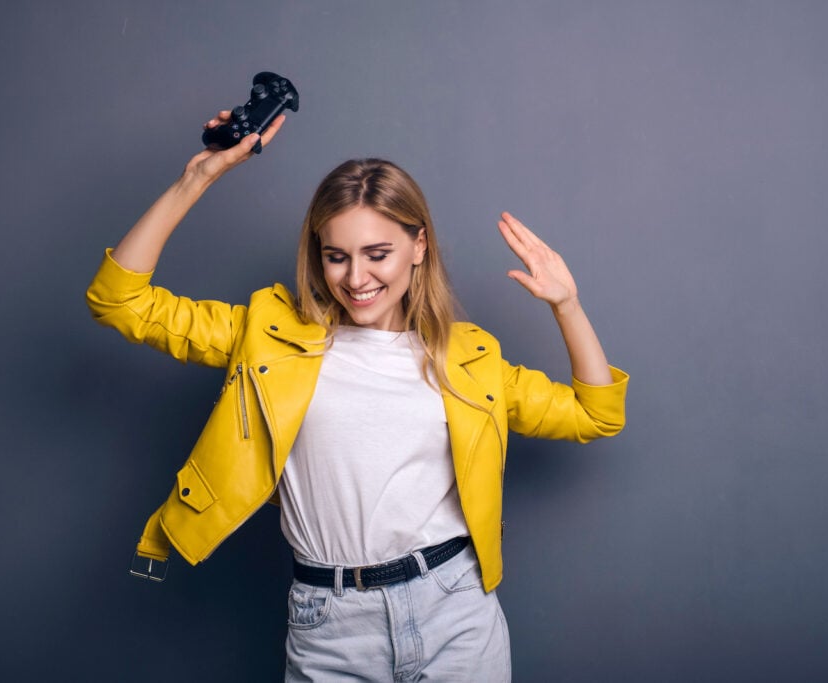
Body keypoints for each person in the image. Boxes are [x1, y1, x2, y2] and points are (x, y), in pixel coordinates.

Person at [86, 111, 628, 682]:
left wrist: (567, 304)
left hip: (455, 610)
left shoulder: (467, 358)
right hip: (331, 623)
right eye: (336, 255)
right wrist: (196, 179)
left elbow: (596, 414)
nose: (355, 278)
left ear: (418, 247)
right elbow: (118, 300)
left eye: (377, 253)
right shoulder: (268, 336)